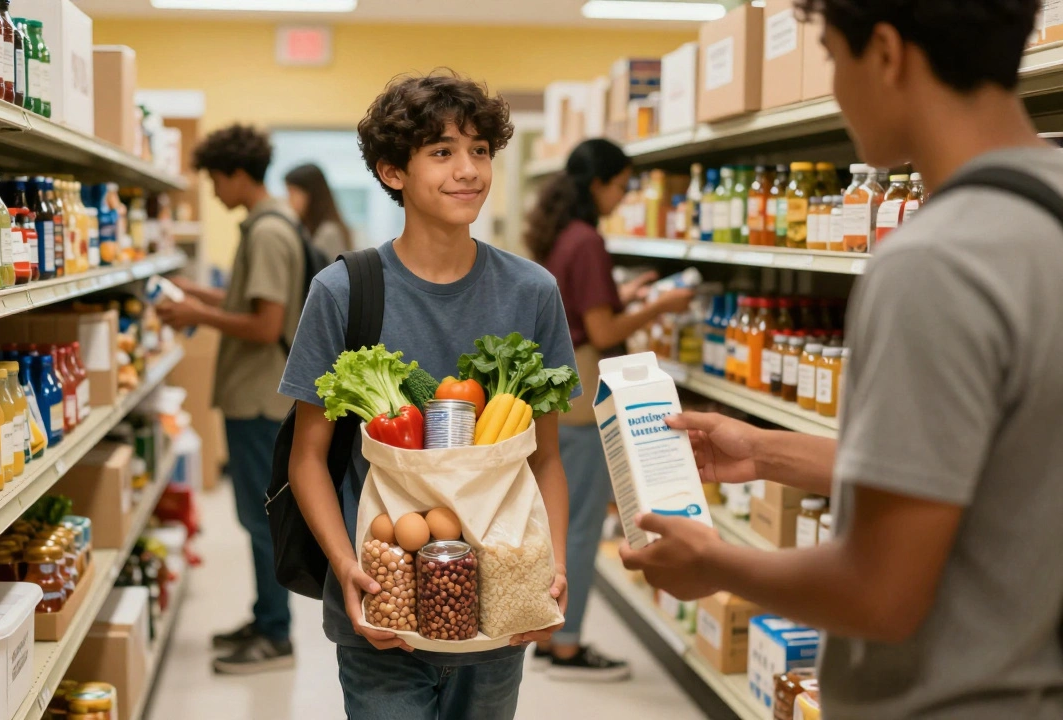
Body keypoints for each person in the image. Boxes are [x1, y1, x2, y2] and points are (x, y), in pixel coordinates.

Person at [617, 1, 1063, 717]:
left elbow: (880, 595)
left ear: (885, 53)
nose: (832, 84)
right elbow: (992, 471)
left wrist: (714, 563)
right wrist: (767, 453)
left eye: (829, 55)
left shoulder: (934, 262)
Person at [278, 70, 576, 719]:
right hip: (382, 607)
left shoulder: (532, 293)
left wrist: (549, 566)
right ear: (392, 172)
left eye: (479, 151)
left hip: (498, 607)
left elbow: (545, 457)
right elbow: (308, 458)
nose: (467, 170)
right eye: (442, 152)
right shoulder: (343, 291)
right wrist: (345, 567)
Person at [524, 137, 694, 681]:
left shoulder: (562, 236)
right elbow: (601, 329)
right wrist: (660, 307)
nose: (623, 196)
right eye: (622, 185)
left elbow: (582, 303)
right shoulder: (589, 240)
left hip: (560, 384)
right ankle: (566, 645)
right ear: (599, 183)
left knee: (564, 517)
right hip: (583, 388)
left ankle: (555, 635)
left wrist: (625, 293)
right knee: (577, 523)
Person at [156, 123, 305, 674]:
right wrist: (199, 292)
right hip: (259, 397)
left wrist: (197, 316)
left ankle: (275, 633)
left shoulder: (266, 232)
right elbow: (253, 299)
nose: (215, 193)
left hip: (260, 401)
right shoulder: (272, 223)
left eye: (216, 180)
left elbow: (266, 325)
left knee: (262, 519)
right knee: (257, 517)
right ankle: (265, 615)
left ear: (237, 174)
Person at [285, 162, 354, 258]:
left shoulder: (329, 232)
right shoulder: (307, 229)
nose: (288, 199)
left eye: (292, 192)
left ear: (311, 194)